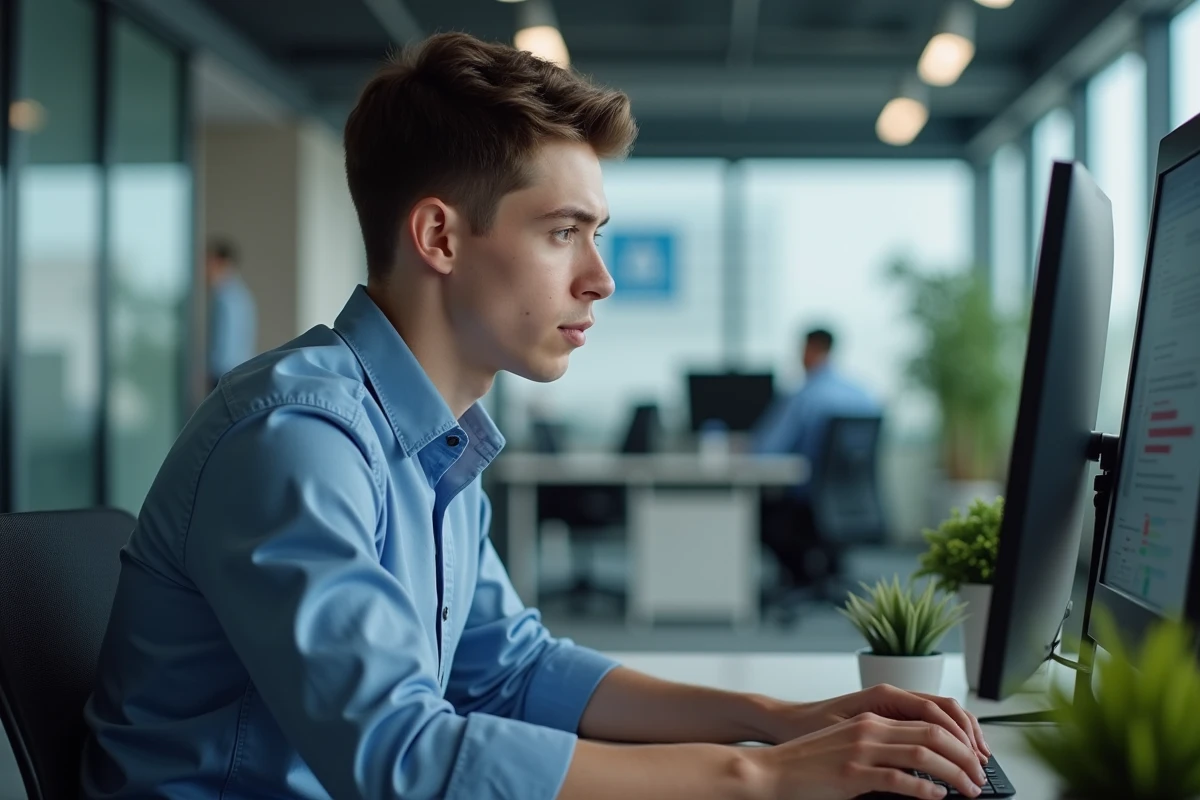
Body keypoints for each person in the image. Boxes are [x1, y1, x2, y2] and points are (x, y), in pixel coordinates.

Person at [82, 33, 990, 800]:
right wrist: (766, 775)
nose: (600, 278)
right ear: (439, 237)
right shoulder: (297, 439)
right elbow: (403, 758)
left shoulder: (435, 441)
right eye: (564, 232)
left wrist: (780, 722)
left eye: (596, 234)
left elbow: (511, 670)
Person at [751, 327, 881, 482]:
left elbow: (768, 449)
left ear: (808, 349)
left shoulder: (804, 397)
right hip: (857, 493)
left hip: (809, 493)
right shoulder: (864, 394)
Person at [205, 238, 258, 389]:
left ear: (220, 262)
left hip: (224, 378)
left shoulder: (227, 298)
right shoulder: (240, 295)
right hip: (234, 376)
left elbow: (224, 352)